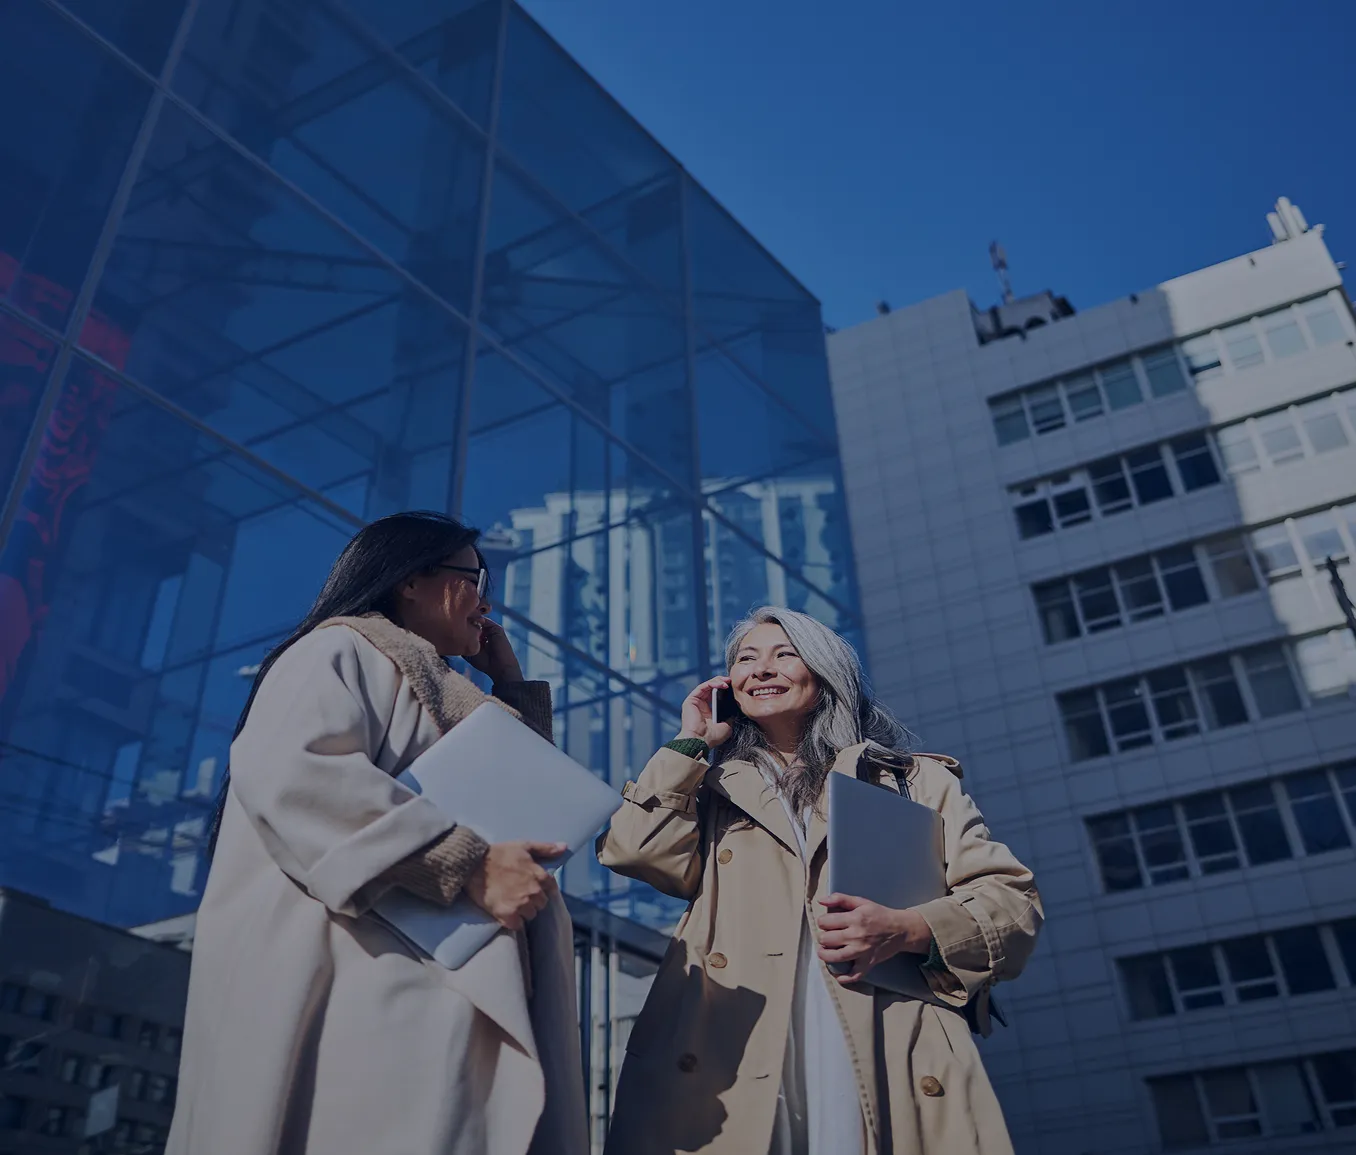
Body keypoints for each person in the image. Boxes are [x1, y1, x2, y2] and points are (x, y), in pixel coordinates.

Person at [168, 511, 587, 1155]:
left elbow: (512, 811)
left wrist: (512, 691)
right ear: (410, 580)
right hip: (363, 971)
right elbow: (299, 773)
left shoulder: (430, 684)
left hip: (425, 973)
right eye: (474, 577)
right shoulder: (336, 650)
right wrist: (467, 865)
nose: (486, 599)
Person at [598, 606, 1042, 1155]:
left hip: (878, 1027)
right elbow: (633, 850)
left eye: (784, 654)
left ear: (827, 672)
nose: (760, 669)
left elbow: (1011, 901)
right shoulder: (707, 789)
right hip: (733, 1037)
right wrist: (689, 743)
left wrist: (907, 928)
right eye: (745, 658)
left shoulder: (909, 780)